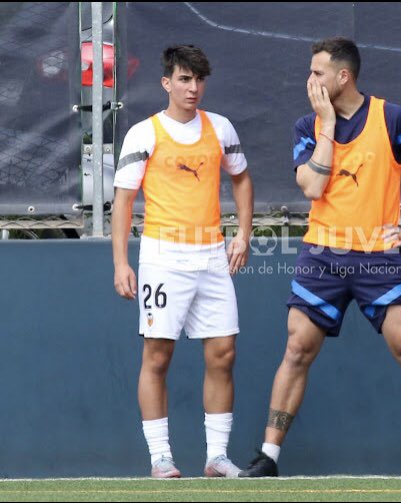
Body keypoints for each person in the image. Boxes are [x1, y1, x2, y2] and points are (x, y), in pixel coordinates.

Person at [239, 37, 401, 477]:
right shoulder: (306, 126)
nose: (309, 81)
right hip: (322, 256)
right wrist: (326, 123)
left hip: (378, 259)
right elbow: (312, 188)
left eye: (318, 73)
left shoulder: (392, 117)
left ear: (343, 76)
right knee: (297, 349)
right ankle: (268, 457)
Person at [112, 45, 253, 478]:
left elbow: (242, 178)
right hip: (162, 256)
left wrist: (243, 234)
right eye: (184, 79)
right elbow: (122, 199)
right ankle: (160, 458)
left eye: (199, 80)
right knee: (157, 356)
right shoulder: (144, 133)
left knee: (223, 353)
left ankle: (216, 458)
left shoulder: (221, 127)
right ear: (166, 83)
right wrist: (121, 262)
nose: (193, 88)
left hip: (212, 255)